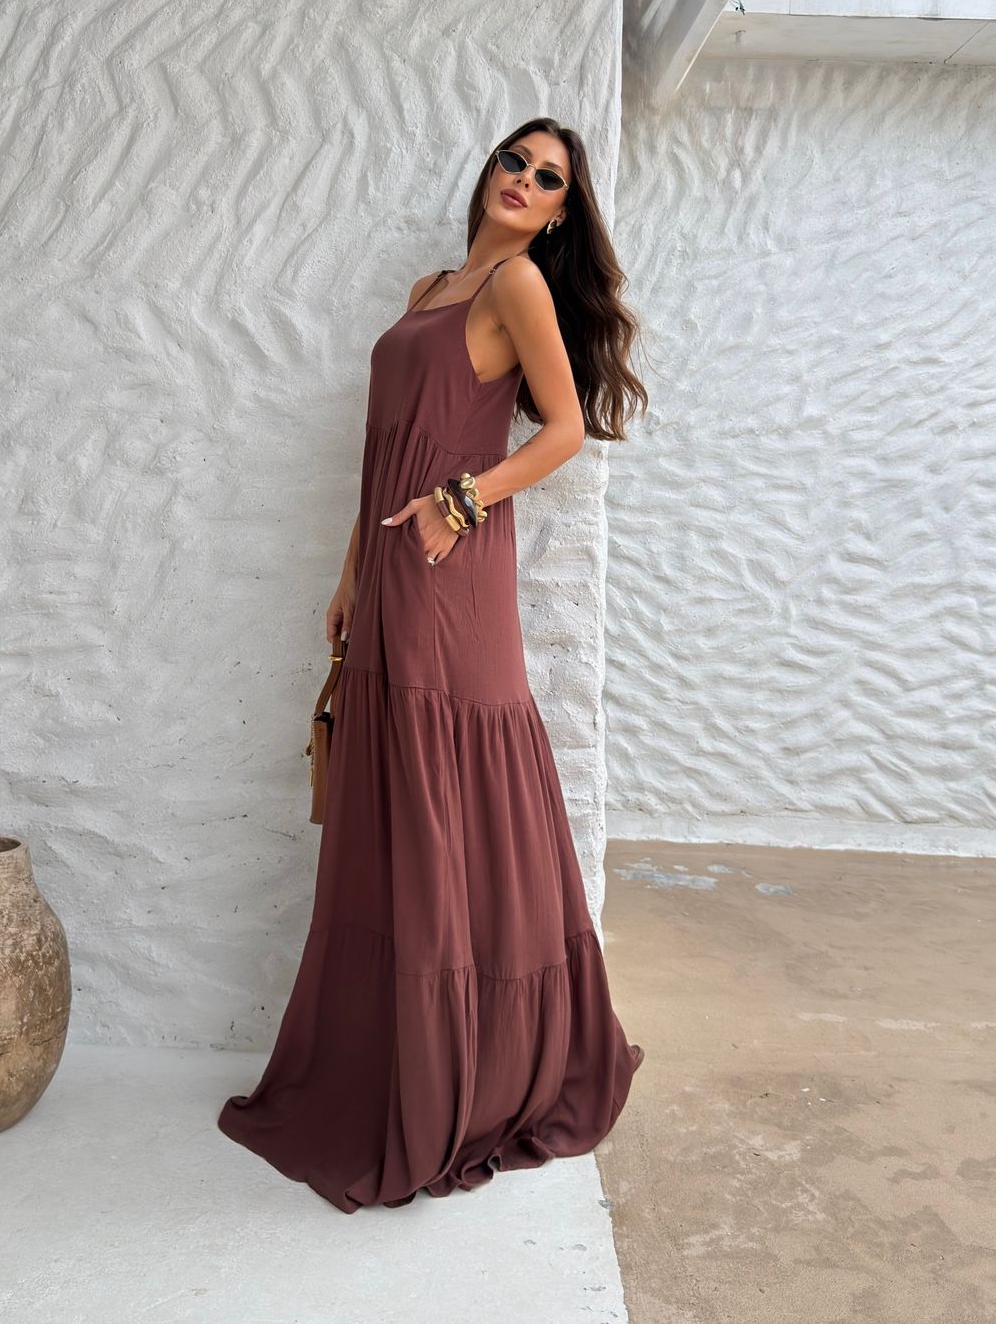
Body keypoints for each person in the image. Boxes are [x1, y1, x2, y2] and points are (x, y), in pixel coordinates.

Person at [218, 116, 649, 1213]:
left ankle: (474, 1059)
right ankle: (399, 1050)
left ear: (558, 213)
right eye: (515, 160)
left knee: (453, 791)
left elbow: (560, 430)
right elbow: (382, 450)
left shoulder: (519, 287)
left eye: (548, 178)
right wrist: (351, 572)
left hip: (451, 563)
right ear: (490, 170)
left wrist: (461, 500)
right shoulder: (429, 290)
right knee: (404, 801)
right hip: (392, 564)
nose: (524, 181)